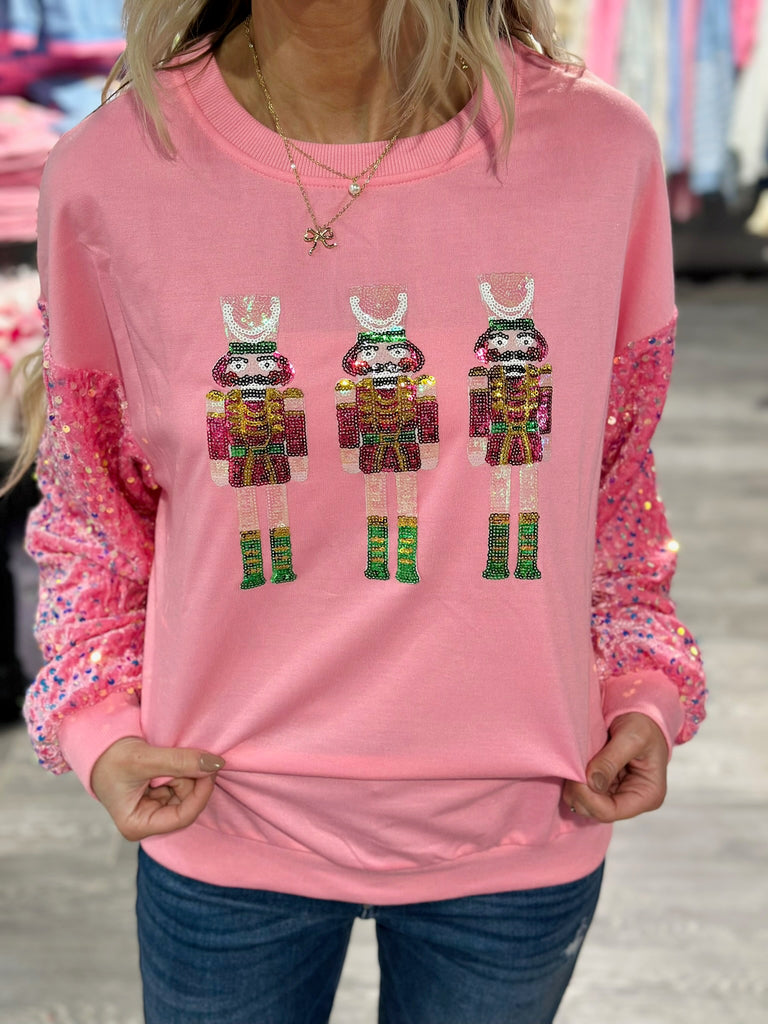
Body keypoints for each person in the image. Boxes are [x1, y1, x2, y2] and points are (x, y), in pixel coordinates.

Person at [3, 1, 707, 1022]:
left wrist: (643, 686)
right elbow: (89, 513)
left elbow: (611, 494)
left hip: (525, 818)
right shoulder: (112, 172)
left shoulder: (602, 156)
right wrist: (98, 726)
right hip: (222, 814)